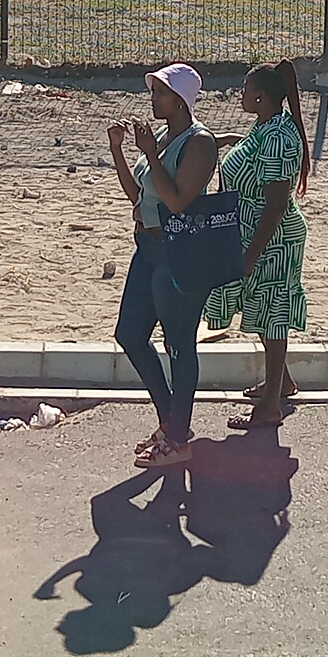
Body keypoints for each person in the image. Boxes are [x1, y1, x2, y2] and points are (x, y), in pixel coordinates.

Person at [108, 63, 219, 470]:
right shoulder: (161, 136)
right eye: (154, 92)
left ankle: (177, 437)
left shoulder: (199, 142)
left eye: (161, 93)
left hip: (179, 254)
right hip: (147, 248)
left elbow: (177, 202)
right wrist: (120, 151)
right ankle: (171, 421)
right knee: (130, 334)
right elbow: (139, 197)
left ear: (181, 99)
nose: (153, 100)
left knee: (179, 344)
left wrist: (151, 154)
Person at [202, 61, 311, 430]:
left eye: (246, 90)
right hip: (255, 232)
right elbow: (254, 163)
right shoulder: (265, 127)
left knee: (273, 311)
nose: (241, 94)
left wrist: (251, 255)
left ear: (261, 97)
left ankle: (269, 407)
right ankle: (282, 381)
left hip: (272, 238)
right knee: (265, 310)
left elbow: (277, 203)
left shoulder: (279, 136)